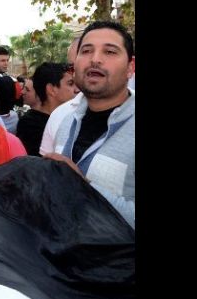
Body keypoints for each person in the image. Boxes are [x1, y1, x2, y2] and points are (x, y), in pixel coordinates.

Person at [44, 21, 135, 228]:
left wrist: (84, 186)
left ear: (130, 67)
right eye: (86, 51)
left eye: (110, 52)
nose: (95, 59)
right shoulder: (65, 121)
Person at [16, 63, 78, 156]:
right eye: (70, 84)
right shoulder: (30, 125)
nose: (76, 89)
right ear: (51, 89)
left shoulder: (73, 117)